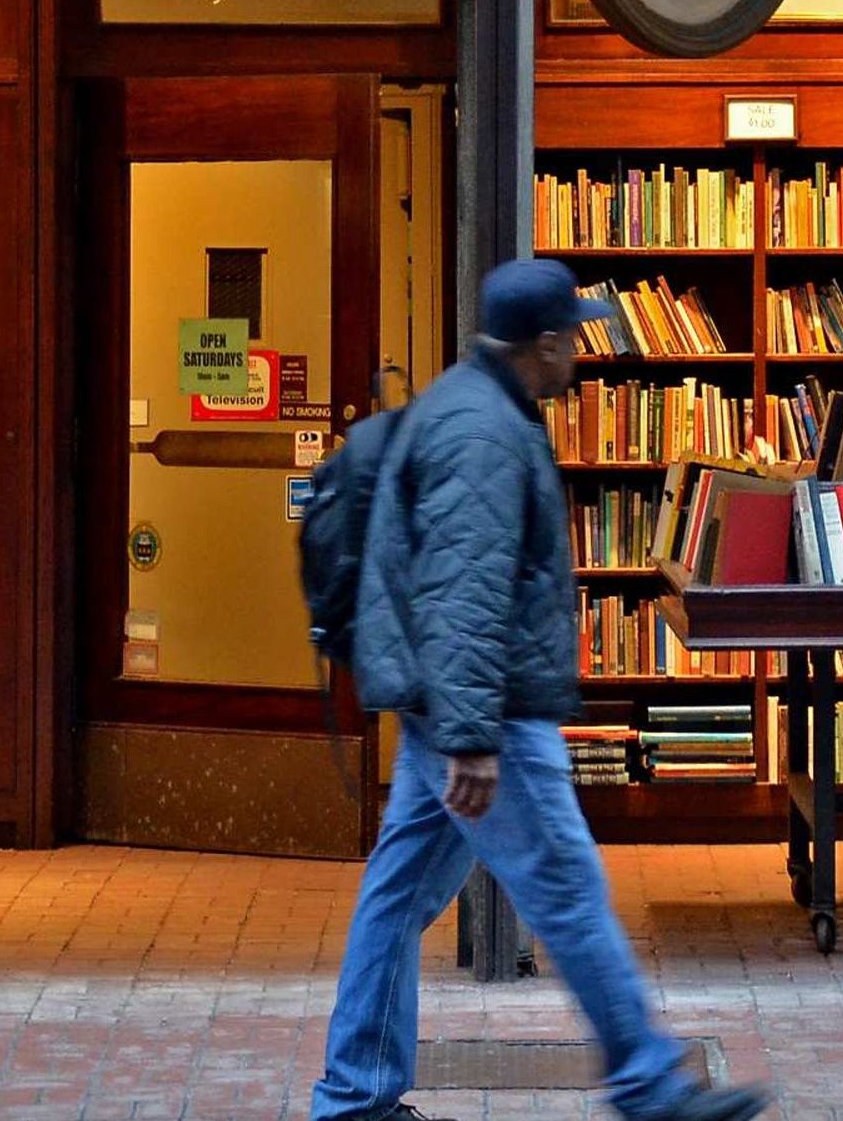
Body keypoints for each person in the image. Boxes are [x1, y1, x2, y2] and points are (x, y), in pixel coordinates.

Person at [311, 259, 768, 1121]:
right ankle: (651, 1086)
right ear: (547, 343)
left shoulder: (468, 402)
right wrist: (472, 732)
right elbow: (466, 591)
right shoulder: (485, 434)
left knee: (397, 896)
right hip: (488, 715)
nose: (585, 357)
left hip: (443, 706)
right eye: (577, 339)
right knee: (564, 887)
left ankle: (354, 1100)